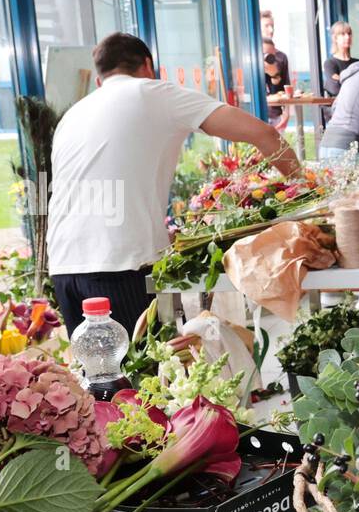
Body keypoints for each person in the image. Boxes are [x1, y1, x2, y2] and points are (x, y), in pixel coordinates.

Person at [48, 33, 300, 336]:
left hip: (64, 267)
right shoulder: (152, 92)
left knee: (95, 379)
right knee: (142, 379)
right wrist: (304, 190)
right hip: (117, 266)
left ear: (100, 79)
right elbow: (264, 135)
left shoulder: (74, 113)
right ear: (148, 66)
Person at [263, 38, 291, 131]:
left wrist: (274, 74)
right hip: (259, 114)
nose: (269, 58)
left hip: (276, 114)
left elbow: (285, 87)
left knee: (277, 144)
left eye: (272, 55)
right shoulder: (251, 67)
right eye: (265, 54)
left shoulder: (279, 62)